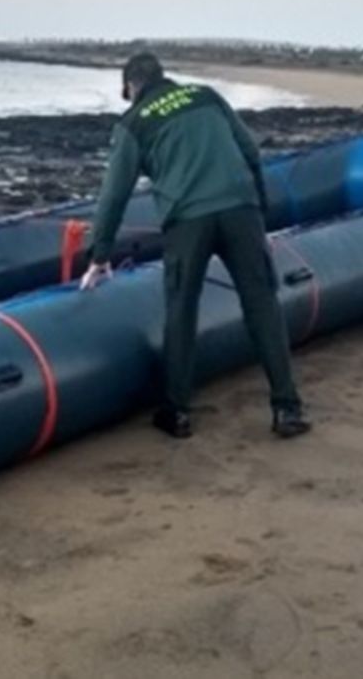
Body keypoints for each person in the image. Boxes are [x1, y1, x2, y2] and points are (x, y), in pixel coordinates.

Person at [80, 53, 309, 440]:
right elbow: (250, 151)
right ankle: (286, 408)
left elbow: (114, 195)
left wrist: (99, 255)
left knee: (182, 310)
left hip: (188, 220)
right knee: (262, 305)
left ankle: (177, 412)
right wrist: (259, 212)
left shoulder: (133, 123)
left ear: (130, 87)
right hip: (241, 210)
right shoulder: (205, 95)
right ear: (162, 76)